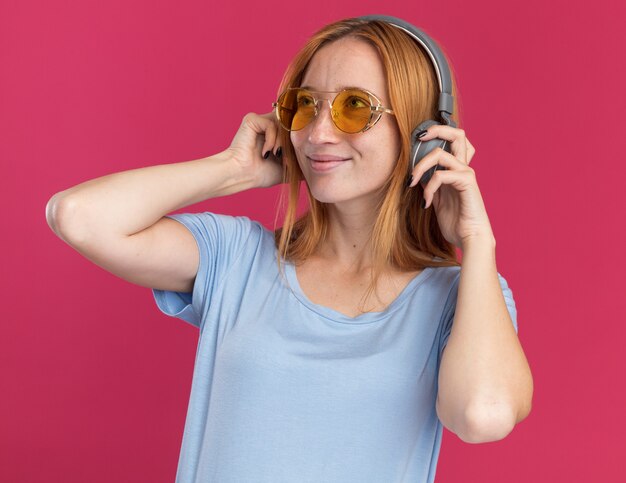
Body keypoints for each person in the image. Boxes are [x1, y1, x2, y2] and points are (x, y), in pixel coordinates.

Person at [46, 15, 533, 483]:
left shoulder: (465, 297)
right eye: (305, 105)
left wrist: (476, 239)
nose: (318, 133)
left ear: (424, 136)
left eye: (354, 107)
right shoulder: (237, 258)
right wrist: (235, 169)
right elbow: (79, 217)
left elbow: (482, 415)